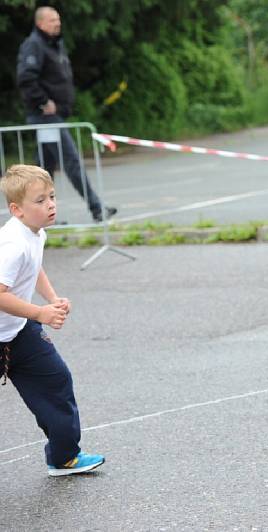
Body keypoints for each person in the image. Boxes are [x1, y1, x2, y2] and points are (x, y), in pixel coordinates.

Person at [0, 164, 105, 476]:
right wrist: (39, 313)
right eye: (40, 200)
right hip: (14, 325)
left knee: (56, 380)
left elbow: (34, 268)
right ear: (16, 209)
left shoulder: (36, 234)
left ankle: (63, 457)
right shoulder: (12, 244)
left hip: (19, 332)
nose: (51, 205)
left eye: (52, 197)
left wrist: (52, 299)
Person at [16, 6, 117, 224]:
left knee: (43, 171)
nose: (58, 23)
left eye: (58, 19)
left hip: (55, 116)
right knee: (71, 161)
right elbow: (26, 78)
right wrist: (43, 101)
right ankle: (97, 208)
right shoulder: (34, 45)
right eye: (53, 20)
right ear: (40, 23)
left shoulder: (54, 44)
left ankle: (37, 219)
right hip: (45, 118)